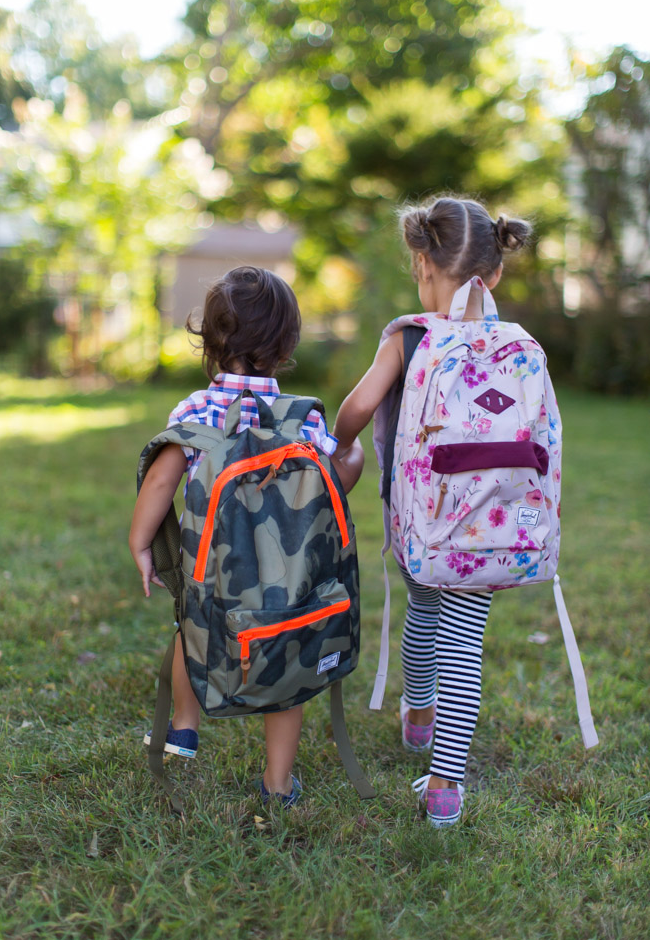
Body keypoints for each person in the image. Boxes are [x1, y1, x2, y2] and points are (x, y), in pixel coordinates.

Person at [129, 265, 362, 808]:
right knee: (288, 667)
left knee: (193, 635)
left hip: (211, 570)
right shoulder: (302, 422)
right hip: (290, 579)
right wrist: (352, 459)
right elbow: (335, 487)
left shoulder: (194, 411)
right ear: (286, 347)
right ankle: (277, 785)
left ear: (209, 342)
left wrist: (142, 543)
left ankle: (182, 731)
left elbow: (163, 478)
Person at [332, 196, 532, 827]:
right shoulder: (512, 344)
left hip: (422, 521)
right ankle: (446, 787)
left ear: (421, 262)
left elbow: (359, 407)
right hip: (492, 524)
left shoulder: (411, 335)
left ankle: (419, 717)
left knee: (424, 607)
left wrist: (342, 444)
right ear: (494, 272)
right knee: (465, 643)